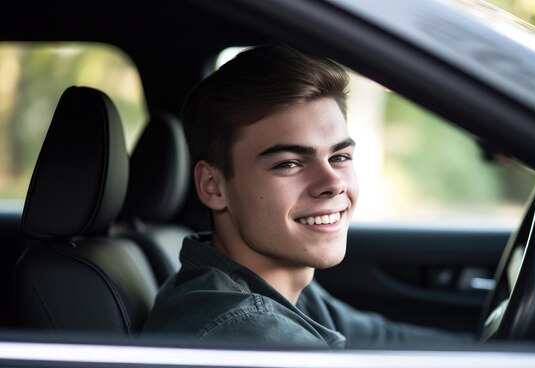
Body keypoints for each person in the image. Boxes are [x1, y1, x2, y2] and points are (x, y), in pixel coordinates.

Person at [142, 44, 455, 348]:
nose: (332, 182)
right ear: (213, 186)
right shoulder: (244, 331)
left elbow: (385, 340)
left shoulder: (279, 285)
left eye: (340, 157)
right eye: (289, 163)